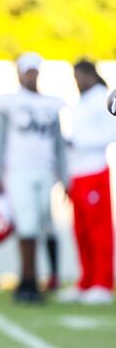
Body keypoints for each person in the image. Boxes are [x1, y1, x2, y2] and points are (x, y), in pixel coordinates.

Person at [0, 52, 67, 304]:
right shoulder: (10, 102)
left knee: (44, 224)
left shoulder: (50, 104)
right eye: (28, 71)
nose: (31, 75)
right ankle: (28, 279)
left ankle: (40, 278)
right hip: (19, 170)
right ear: (19, 73)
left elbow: (58, 144)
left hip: (45, 171)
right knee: (27, 226)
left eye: (35, 71)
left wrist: (64, 177)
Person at [56, 59, 115, 305]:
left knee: (98, 230)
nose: (77, 81)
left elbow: (111, 133)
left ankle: (103, 282)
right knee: (80, 230)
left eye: (79, 75)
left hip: (93, 169)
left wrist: (79, 142)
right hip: (76, 172)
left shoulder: (103, 97)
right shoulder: (80, 101)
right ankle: (86, 279)